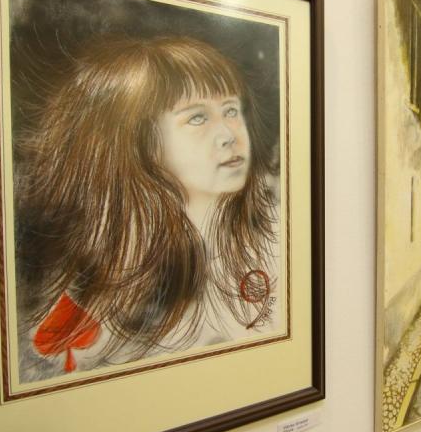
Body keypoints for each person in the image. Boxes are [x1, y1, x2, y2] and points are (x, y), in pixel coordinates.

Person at [15, 37, 280, 380]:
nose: (229, 134)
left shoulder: (270, 237)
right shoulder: (107, 291)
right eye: (197, 118)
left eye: (230, 110)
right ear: (137, 141)